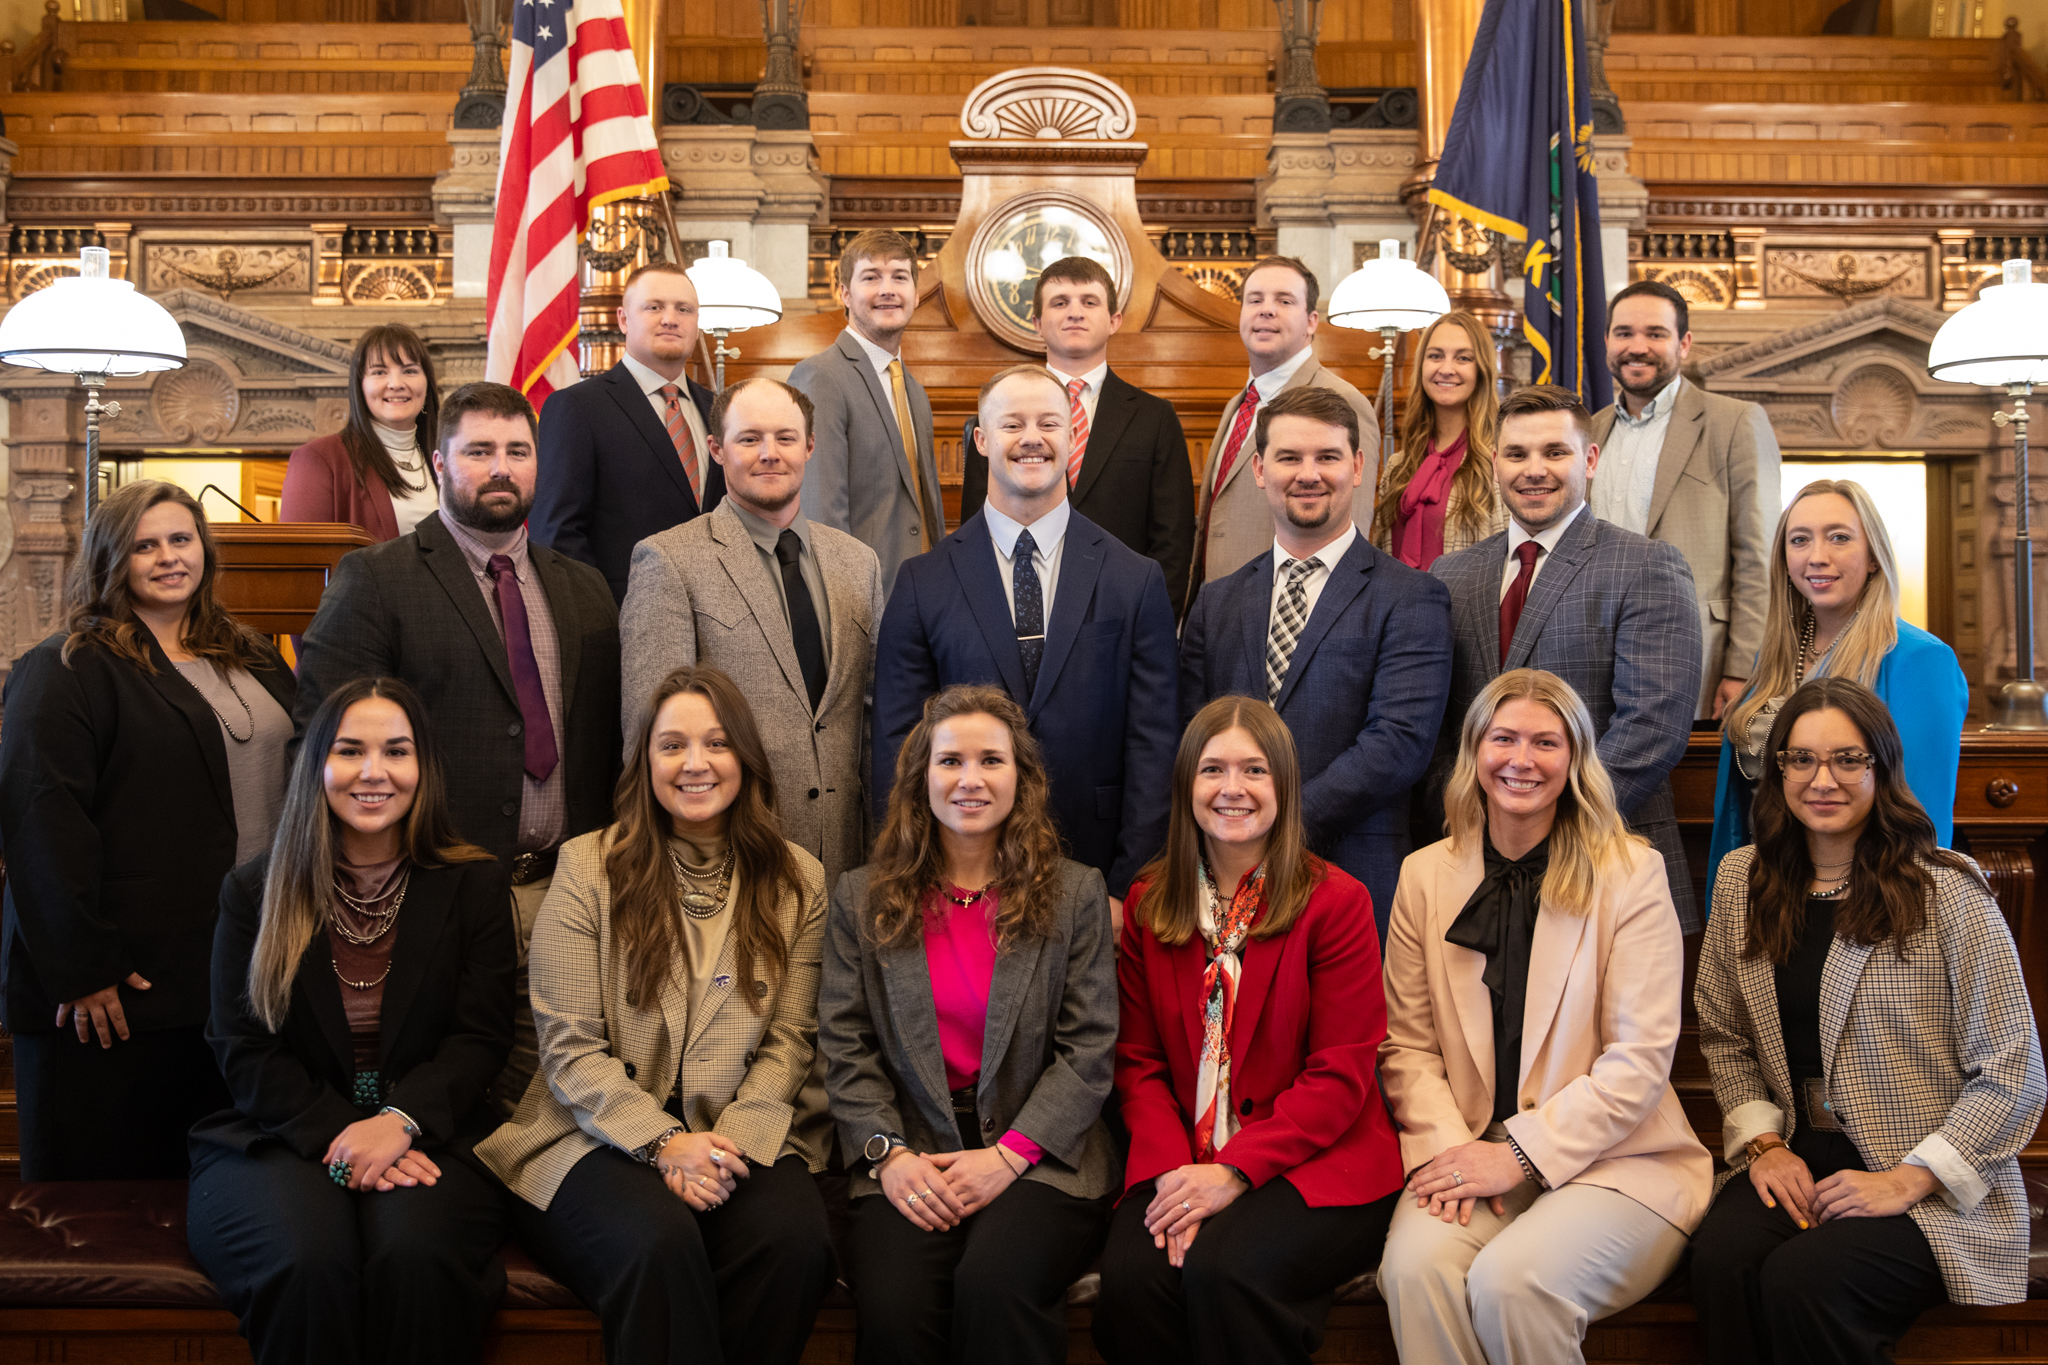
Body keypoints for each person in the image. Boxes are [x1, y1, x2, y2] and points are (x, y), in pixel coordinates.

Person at [476, 666, 835, 1365]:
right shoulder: (588, 866)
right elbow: (570, 1047)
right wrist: (666, 1142)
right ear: (645, 761)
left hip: (738, 1130)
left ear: (747, 760)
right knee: (657, 1241)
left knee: (794, 1244)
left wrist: (723, 1144)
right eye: (672, 744)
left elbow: (791, 1040)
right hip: (588, 1132)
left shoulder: (799, 879)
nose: (694, 762)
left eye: (717, 743)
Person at [1693, 677, 2045, 1364]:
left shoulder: (1945, 889)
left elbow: (2013, 1072)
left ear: (1881, 769)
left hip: (1929, 1179)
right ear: (1778, 771)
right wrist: (1765, 1145)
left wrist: (1908, 1178)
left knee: (1805, 1280)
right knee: (1720, 1257)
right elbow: (1724, 1035)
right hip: (1798, 1154)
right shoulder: (1744, 879)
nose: (1822, 778)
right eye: (1802, 759)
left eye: (1848, 759)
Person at [295, 380, 622, 1114]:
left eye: (517, 451)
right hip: (430, 889)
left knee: (556, 1101)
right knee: (454, 1100)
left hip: (567, 890)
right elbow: (322, 743)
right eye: (478, 450)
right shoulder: (377, 579)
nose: (500, 467)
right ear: (440, 464)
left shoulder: (586, 588)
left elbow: (606, 742)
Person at [1377, 668, 1713, 1365]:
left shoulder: (1631, 873)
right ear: (1474, 752)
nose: (1520, 759)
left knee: (1514, 1282)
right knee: (1413, 1270)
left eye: (1545, 742)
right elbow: (1406, 1045)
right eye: (1503, 738)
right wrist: (1453, 1152)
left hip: (1619, 1164)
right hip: (1467, 1145)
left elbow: (1639, 1061)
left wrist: (1519, 1154)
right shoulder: (1424, 875)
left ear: (1575, 761)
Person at [187, 677, 515, 1365]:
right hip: (281, 1133)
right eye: (350, 750)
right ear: (317, 765)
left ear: (423, 767)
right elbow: (243, 1049)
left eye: (396, 751)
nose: (374, 772)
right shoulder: (254, 889)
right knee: (307, 1260)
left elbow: (478, 1038)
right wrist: (348, 1133)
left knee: (417, 1255)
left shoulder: (474, 882)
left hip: (434, 1130)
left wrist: (396, 1122)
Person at [0, 479, 296, 1180]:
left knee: (220, 1189)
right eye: (144, 545)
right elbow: (40, 820)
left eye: (181, 538)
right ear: (111, 559)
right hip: (117, 988)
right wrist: (83, 968)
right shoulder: (68, 665)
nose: (169, 557)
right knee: (105, 1203)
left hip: (234, 970)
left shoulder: (251, 652)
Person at [1094, 696, 1402, 1365]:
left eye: (1254, 770)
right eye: (1213, 769)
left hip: (1319, 1162)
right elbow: (1138, 1061)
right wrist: (1179, 1171)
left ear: (1284, 788)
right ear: (1187, 787)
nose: (1232, 788)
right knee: (1132, 1279)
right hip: (1180, 1151)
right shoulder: (1151, 902)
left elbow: (1340, 1074)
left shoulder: (1337, 902)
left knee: (1226, 1269)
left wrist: (1234, 1169)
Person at [819, 684, 1117, 1365]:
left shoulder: (1075, 893)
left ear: (1024, 777)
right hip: (906, 1149)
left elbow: (1089, 1048)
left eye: (992, 760)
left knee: (996, 1282)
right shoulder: (861, 898)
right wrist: (887, 1154)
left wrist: (1009, 1154)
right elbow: (845, 1043)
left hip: (1041, 1156)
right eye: (951, 760)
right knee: (895, 1305)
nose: (971, 779)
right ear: (921, 776)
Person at [873, 364, 1179, 911]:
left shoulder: (1135, 578)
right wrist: (913, 873)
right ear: (982, 440)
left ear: (1071, 439)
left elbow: (1154, 746)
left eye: (1049, 424)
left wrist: (1127, 888)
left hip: (1097, 867)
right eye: (1013, 424)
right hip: (955, 878)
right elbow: (898, 743)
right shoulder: (923, 581)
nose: (1032, 438)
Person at [1428, 383, 1704, 931]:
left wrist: (1547, 830)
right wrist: (1476, 828)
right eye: (1517, 454)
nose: (1535, 469)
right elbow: (1442, 729)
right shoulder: (1450, 576)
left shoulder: (1645, 565)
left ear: (1591, 459)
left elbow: (1653, 728)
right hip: (1473, 865)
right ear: (1493, 463)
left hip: (1604, 858)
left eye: (1556, 452)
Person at [1180, 384, 1452, 936]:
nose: (1309, 473)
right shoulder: (1217, 599)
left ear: (1356, 466)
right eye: (1289, 457)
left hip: (1352, 871)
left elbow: (1399, 743)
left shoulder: (1411, 596)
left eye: (1327, 457)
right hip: (1225, 872)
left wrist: (1276, 823)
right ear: (1260, 469)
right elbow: (1190, 734)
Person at [620, 378, 886, 891]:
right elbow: (647, 735)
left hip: (849, 869)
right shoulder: (669, 560)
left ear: (809, 446)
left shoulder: (859, 564)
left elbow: (873, 721)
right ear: (717, 450)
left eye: (786, 438)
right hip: (726, 867)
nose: (770, 454)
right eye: (749, 439)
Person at [1709, 479, 1967, 915]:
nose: (1817, 557)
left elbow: (1922, 820)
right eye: (1800, 540)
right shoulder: (1771, 657)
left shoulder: (1920, 659)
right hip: (1769, 891)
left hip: (1865, 902)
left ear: (1872, 557)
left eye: (1839, 537)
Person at [960, 256, 1196, 612]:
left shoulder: (1155, 417)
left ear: (1114, 320)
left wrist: (1151, 619)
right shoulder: (997, 415)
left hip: (1120, 612)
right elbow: (975, 528)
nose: (1075, 312)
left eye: (1089, 301)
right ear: (1037, 322)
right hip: (1017, 606)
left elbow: (1173, 541)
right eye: (1060, 302)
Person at [1592, 280, 1782, 720]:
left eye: (1655, 333)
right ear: (1607, 343)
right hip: (1598, 661)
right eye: (1624, 333)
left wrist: (1742, 669)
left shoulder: (1734, 423)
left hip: (1701, 660)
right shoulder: (1590, 430)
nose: (1637, 346)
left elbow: (1760, 558)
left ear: (1685, 343)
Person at [530, 261, 724, 603]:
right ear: (623, 319)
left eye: (684, 309)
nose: (670, 318)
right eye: (654, 307)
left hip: (719, 620)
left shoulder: (720, 411)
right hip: (622, 620)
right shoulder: (577, 407)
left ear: (697, 324)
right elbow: (556, 535)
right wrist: (601, 618)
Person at [1192, 255, 1379, 591]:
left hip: (1288, 614)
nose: (1266, 310)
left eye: (1284, 300)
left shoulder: (1344, 401)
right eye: (1255, 299)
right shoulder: (1239, 404)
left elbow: (1352, 538)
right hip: (1218, 608)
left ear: (1311, 321)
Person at [790, 229, 944, 597]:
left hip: (923, 599)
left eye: (900, 277)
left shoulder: (914, 391)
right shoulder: (820, 376)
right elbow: (821, 518)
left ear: (916, 294)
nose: (887, 289)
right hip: (862, 603)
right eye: (871, 277)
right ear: (844, 293)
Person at [1370, 309, 1507, 570]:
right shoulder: (1398, 465)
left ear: (1482, 370)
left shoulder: (1499, 464)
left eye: (1463, 358)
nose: (1446, 369)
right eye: (1435, 356)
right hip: (1399, 609)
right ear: (1422, 365)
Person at [281, 323, 443, 541]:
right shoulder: (318, 459)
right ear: (360, 386)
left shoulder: (448, 456)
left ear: (427, 384)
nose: (396, 384)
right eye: (379, 372)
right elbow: (302, 563)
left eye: (410, 371)